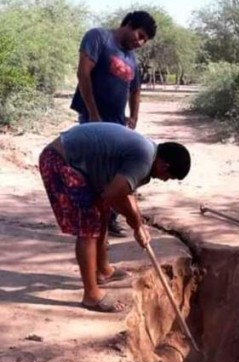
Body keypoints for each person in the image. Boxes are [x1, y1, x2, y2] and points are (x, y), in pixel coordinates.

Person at [38, 123, 190, 312]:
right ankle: (91, 296)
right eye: (168, 177)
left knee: (101, 213)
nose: (164, 180)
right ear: (164, 166)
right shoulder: (143, 160)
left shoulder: (146, 153)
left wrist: (139, 224)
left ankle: (103, 271)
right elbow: (113, 195)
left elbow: (127, 193)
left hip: (75, 162)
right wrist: (135, 226)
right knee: (88, 227)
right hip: (60, 162)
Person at [71, 11, 158, 238]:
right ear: (128, 25)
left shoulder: (131, 59)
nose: (139, 42)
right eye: (139, 35)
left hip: (118, 123)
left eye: (144, 40)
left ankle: (108, 221)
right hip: (93, 121)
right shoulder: (98, 37)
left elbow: (136, 89)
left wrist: (134, 116)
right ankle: (90, 225)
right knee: (95, 173)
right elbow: (83, 73)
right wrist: (93, 113)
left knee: (117, 174)